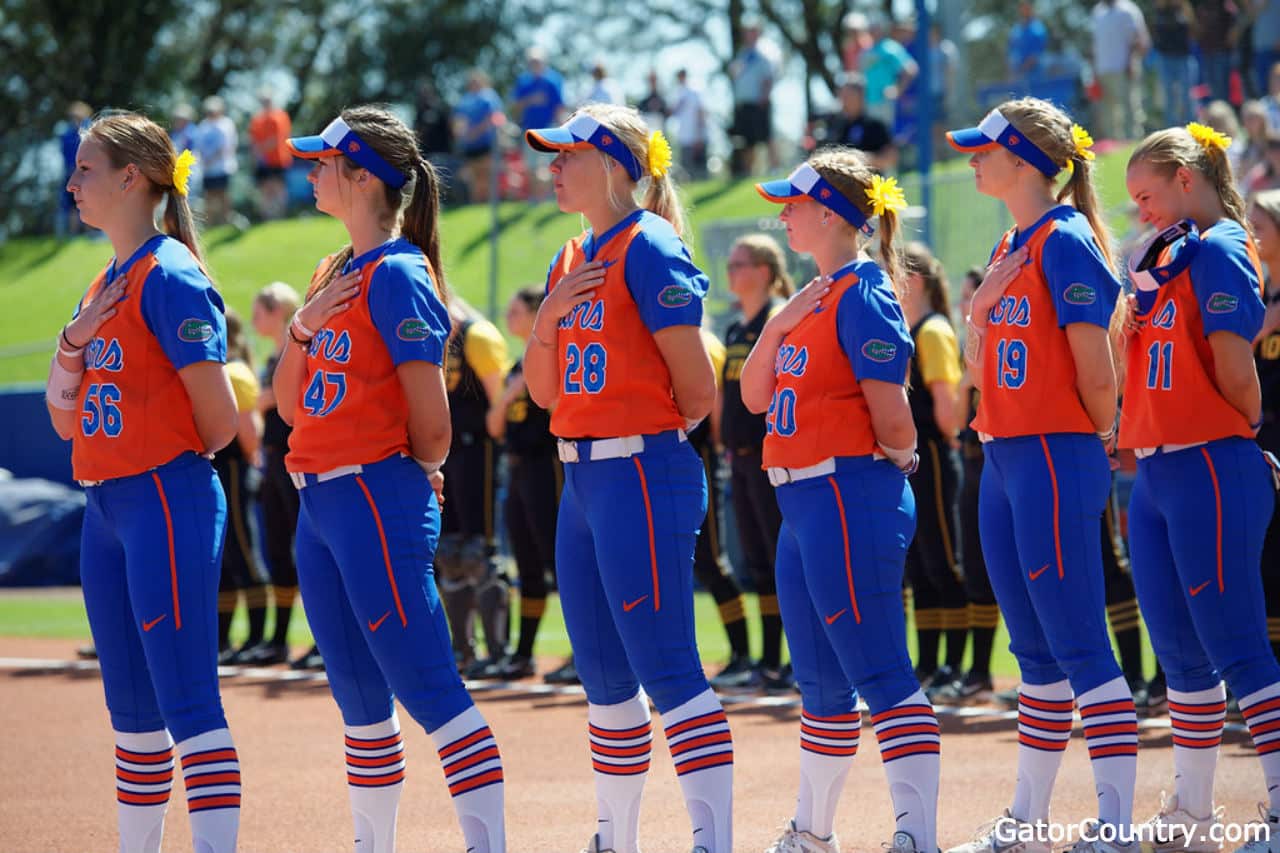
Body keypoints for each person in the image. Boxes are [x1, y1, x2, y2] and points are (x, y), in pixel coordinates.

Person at [275, 105, 506, 853]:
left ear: (362, 175)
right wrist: (302, 326)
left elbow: (433, 426)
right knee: (360, 703)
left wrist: (421, 476)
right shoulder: (332, 271)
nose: (310, 170)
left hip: (374, 494)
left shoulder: (402, 271)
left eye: (323, 159)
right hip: (320, 501)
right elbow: (287, 404)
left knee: (431, 687)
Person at [522, 102, 733, 853]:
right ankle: (616, 836)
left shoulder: (650, 244)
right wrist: (547, 317)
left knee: (669, 666)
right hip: (581, 481)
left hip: (641, 470)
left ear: (612, 164)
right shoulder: (568, 258)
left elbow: (699, 392)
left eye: (566, 154)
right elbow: (543, 394)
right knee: (605, 680)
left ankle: (713, 839)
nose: (552, 166)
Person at [945, 98, 1137, 853]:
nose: (972, 158)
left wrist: (1092, 441)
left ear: (1024, 160)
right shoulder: (1008, 244)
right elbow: (976, 371)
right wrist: (978, 314)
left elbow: (1098, 371)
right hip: (1003, 454)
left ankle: (1115, 826)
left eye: (985, 149)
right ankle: (1026, 821)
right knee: (1032, 650)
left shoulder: (1064, 240)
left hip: (1055, 451)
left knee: (1079, 639)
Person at [51, 110, 241, 852]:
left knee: (189, 702)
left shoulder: (171, 273)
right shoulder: (108, 276)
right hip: (107, 505)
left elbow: (220, 423)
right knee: (131, 715)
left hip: (165, 496)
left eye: (86, 170)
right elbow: (63, 420)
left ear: (132, 178)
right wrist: (72, 338)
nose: (71, 184)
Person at [743, 151, 938, 853]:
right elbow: (755, 396)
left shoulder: (863, 291)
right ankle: (812, 832)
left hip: (849, 491)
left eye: (793, 202)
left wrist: (898, 462)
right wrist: (775, 325)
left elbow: (893, 417)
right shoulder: (816, 294)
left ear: (830, 211)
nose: (783, 212)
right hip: (804, 504)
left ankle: (919, 834)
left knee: (880, 668)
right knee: (822, 685)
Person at [1121, 122, 1280, 853]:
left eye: (1148, 194)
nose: (1142, 210)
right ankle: (1192, 810)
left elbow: (1237, 373)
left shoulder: (1217, 247)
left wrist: (1234, 431)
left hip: (1210, 459)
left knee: (1239, 646)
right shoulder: (1171, 254)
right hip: (1156, 470)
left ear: (1188, 179)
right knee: (1181, 656)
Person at [720, 234, 794, 691]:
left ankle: (796, 657)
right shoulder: (734, 328)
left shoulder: (780, 319)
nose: (731, 273)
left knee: (783, 560)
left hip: (773, 463)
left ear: (764, 272)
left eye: (740, 264)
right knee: (759, 564)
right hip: (741, 462)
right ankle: (768, 659)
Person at [480, 287, 562, 681]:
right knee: (526, 566)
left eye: (516, 311)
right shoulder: (518, 366)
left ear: (536, 314)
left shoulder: (553, 354)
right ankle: (523, 652)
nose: (509, 318)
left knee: (559, 563)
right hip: (516, 472)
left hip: (547, 468)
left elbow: (557, 407)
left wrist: (529, 380)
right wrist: (514, 387)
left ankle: (589, 653)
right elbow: (494, 426)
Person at [899, 242, 968, 699]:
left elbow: (948, 415)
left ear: (915, 282)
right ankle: (928, 664)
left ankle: (955, 666)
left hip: (934, 459)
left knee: (944, 563)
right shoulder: (911, 330)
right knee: (921, 568)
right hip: (913, 461)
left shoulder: (933, 331)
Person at [932, 268, 1000, 706]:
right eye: (963, 299)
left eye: (972, 297)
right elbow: (958, 421)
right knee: (974, 570)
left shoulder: (1004, 344)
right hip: (971, 463)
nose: (964, 306)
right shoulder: (968, 350)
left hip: (998, 463)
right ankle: (976, 672)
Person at [438, 297, 510, 675]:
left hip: (478, 451)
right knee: (449, 553)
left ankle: (498, 651)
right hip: (447, 455)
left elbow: (499, 404)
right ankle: (462, 649)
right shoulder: (434, 340)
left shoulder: (477, 336)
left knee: (479, 553)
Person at [249, 281, 315, 668]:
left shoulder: (297, 352)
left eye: (262, 309)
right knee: (278, 551)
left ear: (279, 312)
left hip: (297, 460)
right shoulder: (271, 359)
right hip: (272, 459)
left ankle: (325, 641)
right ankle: (277, 639)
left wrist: (267, 398)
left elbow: (288, 398)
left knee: (307, 550)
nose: (256, 316)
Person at [691, 325, 757, 688]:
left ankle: (743, 653)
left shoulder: (708, 342)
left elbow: (716, 417)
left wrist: (717, 451)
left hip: (699, 459)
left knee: (712, 561)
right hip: (668, 458)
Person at [212, 308, 269, 665]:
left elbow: (251, 438)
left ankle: (258, 638)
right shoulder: (221, 370)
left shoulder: (235, 372)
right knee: (226, 557)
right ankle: (222, 641)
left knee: (245, 552)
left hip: (232, 469)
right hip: (218, 470)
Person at [1248, 190, 1280, 668]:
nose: (1251, 234)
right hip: (1260, 440)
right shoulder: (1259, 294)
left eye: (1261, 225)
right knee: (1264, 560)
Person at [1090, 0, 1150, 142]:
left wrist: (1131, 62)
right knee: (1108, 112)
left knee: (1130, 107)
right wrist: (1094, 70)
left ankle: (1133, 140)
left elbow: (1137, 38)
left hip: (1124, 67)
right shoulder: (1097, 11)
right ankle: (1114, 144)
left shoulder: (1128, 9)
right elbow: (1095, 43)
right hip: (1103, 69)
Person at [512, 47, 566, 202]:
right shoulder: (523, 81)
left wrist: (561, 129)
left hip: (550, 128)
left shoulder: (553, 80)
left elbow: (559, 106)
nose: (534, 64)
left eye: (536, 61)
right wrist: (530, 100)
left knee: (553, 164)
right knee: (530, 165)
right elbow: (516, 105)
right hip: (529, 129)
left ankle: (552, 196)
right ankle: (534, 197)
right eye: (531, 62)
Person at [811, 75, 895, 171]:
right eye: (841, 94)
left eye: (848, 95)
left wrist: (864, 159)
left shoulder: (875, 126)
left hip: (867, 183)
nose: (843, 99)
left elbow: (891, 159)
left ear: (861, 96)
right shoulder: (833, 124)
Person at [729, 17, 779, 177]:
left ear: (757, 32)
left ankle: (774, 168)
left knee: (766, 136)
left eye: (751, 31)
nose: (748, 34)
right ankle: (749, 172)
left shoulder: (764, 51)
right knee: (747, 140)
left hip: (760, 102)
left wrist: (764, 96)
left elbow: (768, 77)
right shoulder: (743, 54)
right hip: (745, 104)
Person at [453, 70, 504, 204]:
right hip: (470, 145)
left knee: (486, 174)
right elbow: (459, 119)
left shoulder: (489, 97)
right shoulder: (465, 100)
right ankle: (476, 203)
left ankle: (488, 203)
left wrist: (475, 132)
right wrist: (460, 132)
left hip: (486, 142)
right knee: (473, 176)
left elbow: (493, 117)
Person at [248, 91, 292, 221]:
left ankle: (280, 216)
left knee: (278, 188)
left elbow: (276, 139)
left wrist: (259, 151)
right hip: (263, 162)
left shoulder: (279, 116)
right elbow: (253, 139)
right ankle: (267, 217)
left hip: (278, 159)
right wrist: (255, 155)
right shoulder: (257, 119)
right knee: (265, 189)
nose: (265, 103)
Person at [1151, 0, 1195, 127]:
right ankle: (1170, 127)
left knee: (1186, 95)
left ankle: (1190, 125)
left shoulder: (1184, 9)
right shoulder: (1161, 9)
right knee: (1169, 96)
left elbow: (1193, 28)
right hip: (1165, 58)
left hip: (1183, 57)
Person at [195, 96, 238, 227]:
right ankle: (211, 223)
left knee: (223, 195)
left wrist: (211, 159)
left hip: (222, 167)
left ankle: (225, 221)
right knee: (209, 196)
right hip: (207, 168)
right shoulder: (203, 125)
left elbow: (226, 146)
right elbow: (200, 146)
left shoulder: (226, 124)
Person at [58, 101, 91, 238]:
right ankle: (73, 234)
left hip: (88, 172)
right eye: (73, 117)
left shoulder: (89, 132)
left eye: (78, 117)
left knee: (91, 201)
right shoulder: (67, 135)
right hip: (72, 172)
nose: (75, 120)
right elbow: (65, 154)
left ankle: (91, 232)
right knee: (73, 205)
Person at [670, 69, 708, 180]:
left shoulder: (695, 91)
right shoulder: (677, 93)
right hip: (684, 137)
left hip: (696, 136)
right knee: (686, 172)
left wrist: (699, 136)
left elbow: (700, 113)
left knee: (700, 172)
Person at [1007, 3, 1048, 95]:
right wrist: (1012, 72)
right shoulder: (1016, 29)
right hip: (1018, 76)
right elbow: (1011, 51)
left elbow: (1037, 54)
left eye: (1026, 7)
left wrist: (1023, 69)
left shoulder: (1037, 29)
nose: (1024, 11)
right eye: (1021, 8)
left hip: (1035, 74)